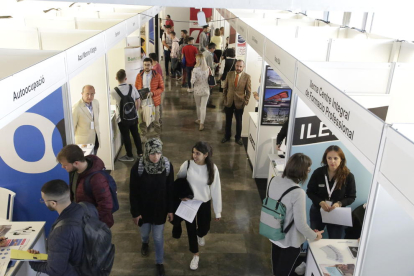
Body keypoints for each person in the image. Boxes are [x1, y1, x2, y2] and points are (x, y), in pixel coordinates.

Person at [267, 153, 324, 276]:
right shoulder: (298, 192)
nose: (309, 172)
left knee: (276, 270)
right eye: (308, 169)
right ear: (302, 171)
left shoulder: (274, 180)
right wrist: (315, 236)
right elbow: (301, 224)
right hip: (289, 240)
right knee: (284, 272)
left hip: (274, 233)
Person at [130, 138, 174, 276]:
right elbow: (134, 191)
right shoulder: (138, 167)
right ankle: (144, 242)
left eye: (158, 153)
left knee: (158, 237)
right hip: (143, 209)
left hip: (160, 209)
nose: (156, 157)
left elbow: (170, 189)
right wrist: (135, 213)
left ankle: (159, 262)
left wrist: (171, 209)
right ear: (147, 152)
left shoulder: (167, 165)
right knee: (144, 232)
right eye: (152, 153)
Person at [176, 142, 222, 271]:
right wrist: (181, 196)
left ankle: (200, 234)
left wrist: (217, 211)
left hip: (204, 203)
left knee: (204, 227)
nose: (194, 155)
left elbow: (216, 190)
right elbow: (178, 181)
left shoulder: (212, 168)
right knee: (190, 231)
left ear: (206, 155)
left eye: (198, 153)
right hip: (189, 203)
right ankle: (195, 254)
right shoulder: (187, 165)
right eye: (193, 152)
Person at [27, 179, 85, 275]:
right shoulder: (85, 208)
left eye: (43, 200)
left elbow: (55, 270)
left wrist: (33, 261)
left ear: (53, 203)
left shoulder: (60, 233)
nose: (44, 202)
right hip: (89, 267)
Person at [57, 144, 114, 228]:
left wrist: (89, 221)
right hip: (83, 221)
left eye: (65, 165)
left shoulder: (97, 179)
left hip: (96, 226)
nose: (62, 167)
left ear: (76, 163)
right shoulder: (75, 172)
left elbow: (106, 206)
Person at [307, 145, 356, 239]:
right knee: (314, 238)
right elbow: (310, 191)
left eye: (335, 158)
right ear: (325, 159)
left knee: (335, 240)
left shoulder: (349, 176)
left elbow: (351, 197)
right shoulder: (318, 173)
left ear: (341, 159)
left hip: (337, 213)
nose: (332, 161)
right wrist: (320, 202)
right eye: (329, 158)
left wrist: (339, 203)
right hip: (318, 211)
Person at [110, 69, 143, 162]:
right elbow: (138, 100)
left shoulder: (113, 91)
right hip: (133, 116)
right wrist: (135, 111)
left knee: (126, 136)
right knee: (136, 134)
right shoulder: (132, 87)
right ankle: (140, 153)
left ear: (116, 78)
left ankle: (129, 155)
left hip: (122, 119)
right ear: (126, 78)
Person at [222, 60, 252, 145]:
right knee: (228, 120)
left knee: (239, 121)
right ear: (235, 65)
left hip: (240, 102)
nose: (238, 68)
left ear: (243, 67)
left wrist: (246, 101)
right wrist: (225, 99)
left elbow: (248, 91)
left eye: (240, 66)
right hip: (229, 101)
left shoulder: (247, 77)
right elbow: (225, 88)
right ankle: (227, 136)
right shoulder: (229, 74)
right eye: (237, 66)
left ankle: (238, 138)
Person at [135, 58, 165, 141]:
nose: (146, 67)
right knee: (142, 120)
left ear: (151, 65)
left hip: (154, 101)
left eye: (148, 65)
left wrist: (153, 93)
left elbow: (162, 88)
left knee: (156, 119)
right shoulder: (139, 76)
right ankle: (143, 135)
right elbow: (136, 87)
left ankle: (157, 136)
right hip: (142, 101)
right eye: (145, 65)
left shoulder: (157, 75)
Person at [72, 85, 100, 155]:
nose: (90, 96)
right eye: (87, 94)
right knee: (85, 163)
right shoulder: (76, 107)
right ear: (82, 94)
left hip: (95, 138)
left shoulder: (96, 102)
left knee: (93, 160)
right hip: (83, 143)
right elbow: (72, 127)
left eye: (92, 94)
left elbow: (96, 119)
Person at [191, 54, 210, 131]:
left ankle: (199, 119)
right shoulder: (208, 69)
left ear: (198, 60)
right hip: (206, 90)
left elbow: (192, 81)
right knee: (203, 107)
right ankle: (202, 123)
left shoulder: (195, 70)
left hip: (197, 91)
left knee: (198, 106)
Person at [202, 42, 217, 108]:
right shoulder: (210, 55)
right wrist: (217, 64)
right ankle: (207, 103)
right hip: (208, 73)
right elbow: (211, 66)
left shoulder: (204, 53)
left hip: (203, 72)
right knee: (209, 89)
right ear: (212, 48)